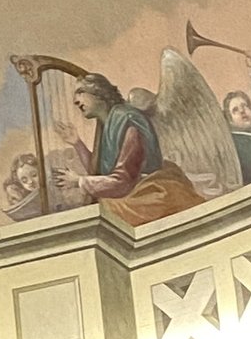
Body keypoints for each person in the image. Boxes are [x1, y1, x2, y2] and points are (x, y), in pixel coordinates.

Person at [70, 72, 200, 228]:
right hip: (131, 190)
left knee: (99, 215)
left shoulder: (127, 120)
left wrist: (79, 181)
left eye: (80, 92)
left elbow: (123, 181)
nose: (75, 101)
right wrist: (77, 143)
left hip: (150, 193)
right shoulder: (107, 123)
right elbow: (100, 172)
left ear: (98, 92)